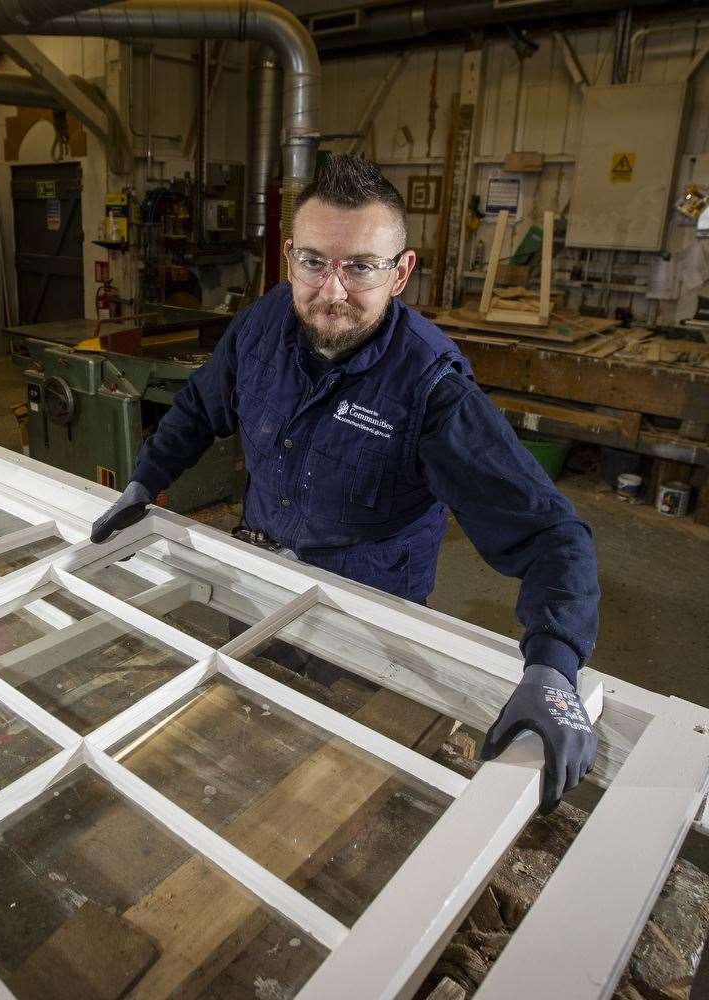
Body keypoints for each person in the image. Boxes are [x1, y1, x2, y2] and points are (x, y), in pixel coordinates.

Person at [90, 155, 600, 811]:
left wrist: (554, 668)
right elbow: (197, 408)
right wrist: (145, 483)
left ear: (402, 272)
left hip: (367, 629)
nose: (331, 291)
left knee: (333, 795)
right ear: (289, 256)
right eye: (312, 262)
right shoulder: (261, 329)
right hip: (257, 588)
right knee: (237, 753)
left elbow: (552, 536)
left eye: (359, 266)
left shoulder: (430, 388)